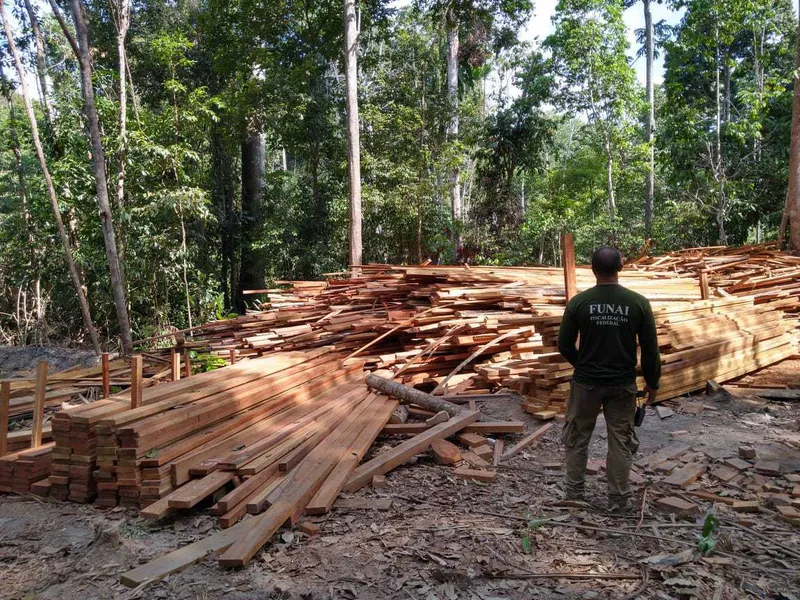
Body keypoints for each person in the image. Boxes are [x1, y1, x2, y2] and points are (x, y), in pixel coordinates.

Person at [557, 246, 661, 513]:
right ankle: (618, 499)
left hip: (585, 384)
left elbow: (564, 344)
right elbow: (650, 349)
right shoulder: (638, 303)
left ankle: (574, 494)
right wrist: (652, 382)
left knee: (578, 437)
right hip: (622, 385)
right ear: (621, 268)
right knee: (621, 440)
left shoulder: (580, 303)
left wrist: (582, 364)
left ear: (592, 269)